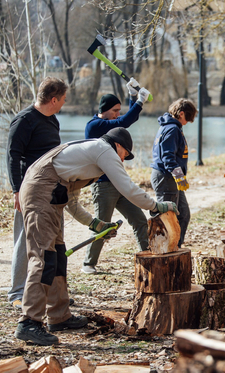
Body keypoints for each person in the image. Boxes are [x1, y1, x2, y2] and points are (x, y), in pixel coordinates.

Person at [14, 127, 177, 346]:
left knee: (58, 257)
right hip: (39, 193)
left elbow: (71, 201)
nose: (123, 160)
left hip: (51, 195)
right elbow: (127, 187)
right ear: (119, 146)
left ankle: (59, 316)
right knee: (43, 258)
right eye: (125, 155)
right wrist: (156, 205)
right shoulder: (104, 150)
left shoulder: (89, 155)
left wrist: (95, 224)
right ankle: (28, 323)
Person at [6, 77, 68, 310]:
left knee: (52, 243)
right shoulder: (24, 121)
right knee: (25, 241)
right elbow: (13, 156)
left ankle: (51, 293)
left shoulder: (52, 121)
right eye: (62, 99)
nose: (63, 103)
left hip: (51, 191)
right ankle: (16, 293)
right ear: (53, 99)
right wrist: (16, 190)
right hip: (29, 192)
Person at [82, 80, 150, 275]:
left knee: (139, 219)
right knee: (102, 225)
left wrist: (132, 97)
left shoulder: (107, 122)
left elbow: (124, 122)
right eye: (115, 110)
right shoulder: (95, 126)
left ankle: (146, 256)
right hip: (103, 185)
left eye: (120, 110)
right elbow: (123, 122)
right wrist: (139, 102)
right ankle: (88, 263)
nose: (117, 114)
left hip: (118, 182)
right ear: (104, 110)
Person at [151, 99, 197, 248]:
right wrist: (178, 175)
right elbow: (167, 157)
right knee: (167, 218)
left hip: (172, 179)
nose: (187, 123)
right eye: (187, 119)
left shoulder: (172, 127)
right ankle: (163, 249)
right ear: (181, 113)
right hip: (166, 178)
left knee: (183, 214)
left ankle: (175, 246)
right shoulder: (172, 129)